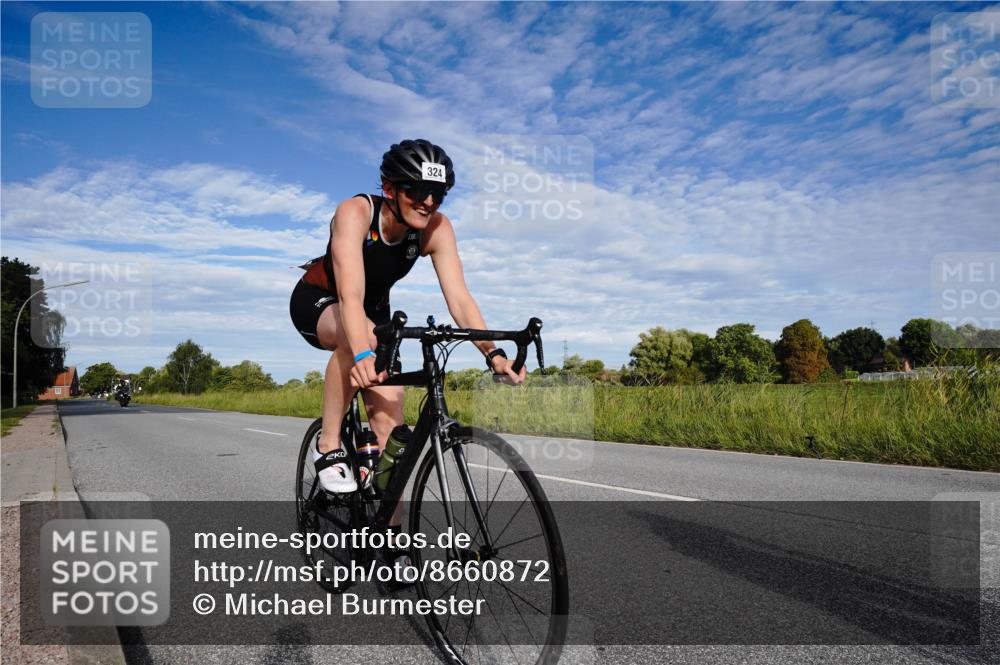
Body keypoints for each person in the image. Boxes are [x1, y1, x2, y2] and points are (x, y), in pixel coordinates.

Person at [289, 139, 525, 499]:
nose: (428, 201)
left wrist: (493, 354)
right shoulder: (355, 213)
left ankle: (389, 531)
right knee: (362, 336)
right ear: (390, 189)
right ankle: (329, 444)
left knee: (392, 434)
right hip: (320, 300)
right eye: (416, 190)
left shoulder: (437, 228)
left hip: (374, 316)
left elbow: (460, 299)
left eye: (438, 193)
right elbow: (351, 297)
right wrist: (362, 354)